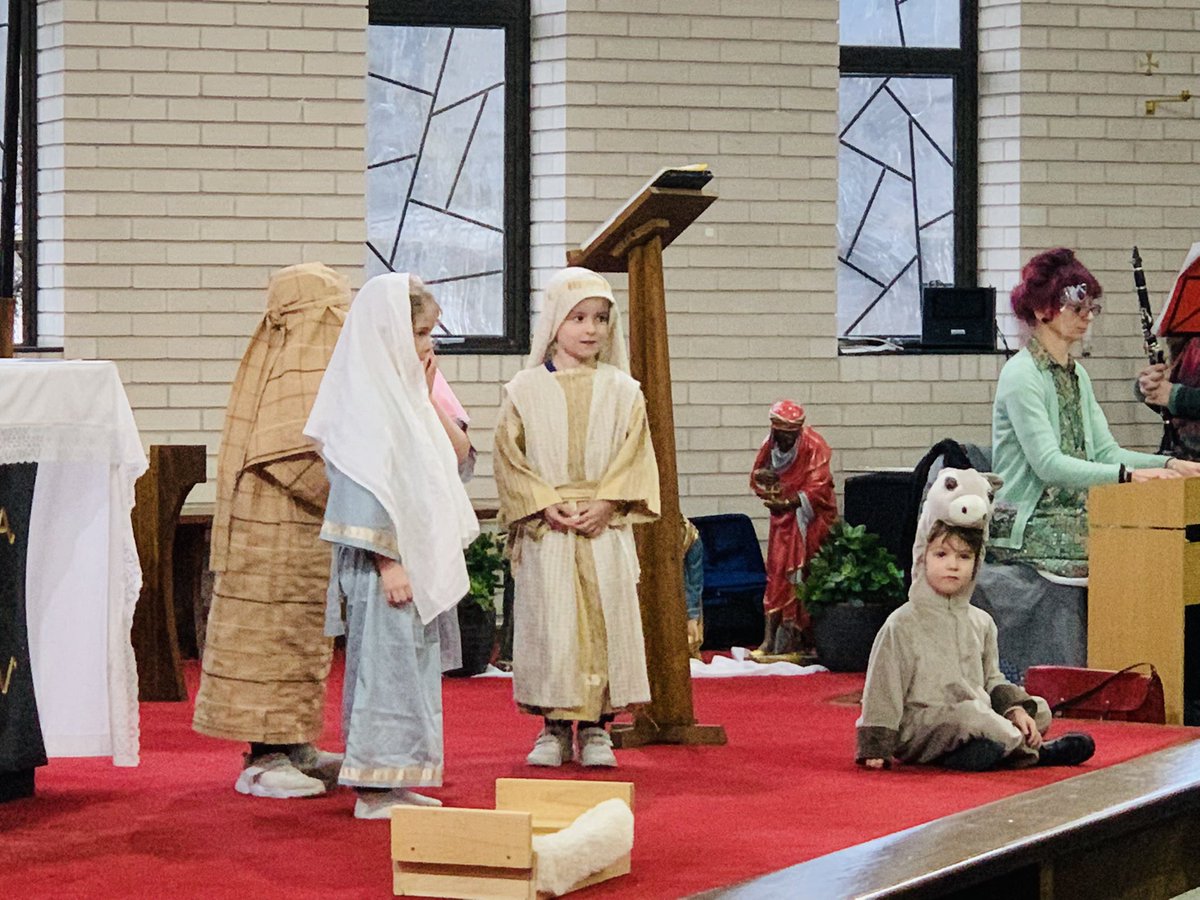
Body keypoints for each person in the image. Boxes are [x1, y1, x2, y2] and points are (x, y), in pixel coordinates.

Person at [304, 272, 478, 820]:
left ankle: (397, 780)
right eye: (422, 334)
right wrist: (389, 560)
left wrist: (427, 399)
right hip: (387, 566)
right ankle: (375, 787)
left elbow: (457, 457)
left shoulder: (408, 397)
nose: (430, 346)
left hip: (410, 559)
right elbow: (361, 486)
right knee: (384, 671)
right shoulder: (366, 401)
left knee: (412, 672)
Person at [193, 263, 351, 799]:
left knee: (302, 640)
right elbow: (293, 453)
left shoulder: (291, 355)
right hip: (274, 535)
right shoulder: (297, 358)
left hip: (300, 534)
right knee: (273, 639)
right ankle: (264, 758)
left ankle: (296, 744)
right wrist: (359, 499)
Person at [493, 266, 660, 769]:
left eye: (601, 319)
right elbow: (508, 456)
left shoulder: (623, 390)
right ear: (555, 323)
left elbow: (636, 454)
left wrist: (608, 502)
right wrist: (544, 501)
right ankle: (551, 728)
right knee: (552, 625)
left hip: (601, 525)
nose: (590, 329)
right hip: (550, 528)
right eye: (579, 317)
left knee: (604, 622)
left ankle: (595, 728)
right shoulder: (524, 389)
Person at [990, 248, 1200, 580]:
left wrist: (1170, 464)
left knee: (1159, 545)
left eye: (1091, 308)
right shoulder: (1021, 375)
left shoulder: (1078, 375)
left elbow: (1105, 452)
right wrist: (1128, 477)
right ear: (1043, 310)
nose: (1088, 316)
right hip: (1029, 524)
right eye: (1077, 308)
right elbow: (1048, 465)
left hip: (1074, 514)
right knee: (1136, 550)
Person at [857, 516, 1096, 771]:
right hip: (922, 725)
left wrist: (1015, 712)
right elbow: (883, 688)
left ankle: (979, 751)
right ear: (921, 558)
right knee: (970, 715)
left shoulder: (981, 621)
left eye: (964, 557)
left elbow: (992, 680)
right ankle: (1038, 753)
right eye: (941, 555)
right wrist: (876, 746)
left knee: (1038, 709)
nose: (953, 565)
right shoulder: (902, 623)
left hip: (979, 717)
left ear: (976, 563)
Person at [748, 400, 837, 656]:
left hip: (811, 521)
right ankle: (770, 641)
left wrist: (790, 502)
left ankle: (804, 638)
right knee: (777, 573)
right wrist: (764, 480)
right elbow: (758, 476)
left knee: (806, 573)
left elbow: (818, 487)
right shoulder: (770, 444)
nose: (786, 440)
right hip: (784, 520)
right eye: (782, 434)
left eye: (791, 435)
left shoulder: (815, 445)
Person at [1137, 336, 1200, 461]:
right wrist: (1150, 386)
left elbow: (1175, 397)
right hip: (1180, 455)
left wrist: (1175, 396)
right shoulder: (1187, 339)